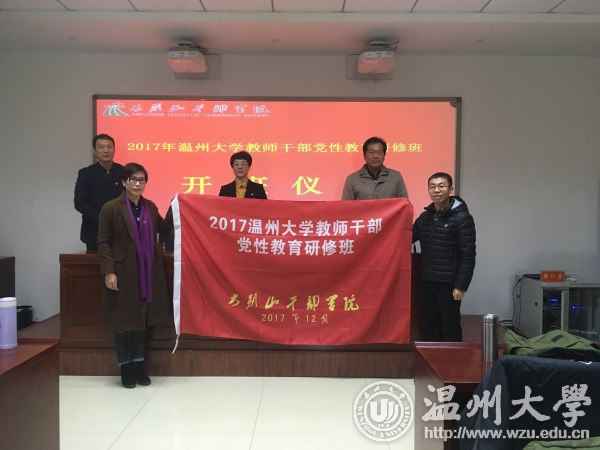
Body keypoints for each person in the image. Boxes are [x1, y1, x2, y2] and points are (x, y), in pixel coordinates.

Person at [97, 163, 172, 389]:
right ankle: (126, 369)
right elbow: (103, 242)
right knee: (122, 323)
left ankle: (139, 366)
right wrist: (109, 271)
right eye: (133, 179)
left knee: (141, 321)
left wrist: (176, 207)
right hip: (123, 274)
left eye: (142, 180)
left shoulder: (150, 207)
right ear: (124, 182)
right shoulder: (111, 208)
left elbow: (165, 229)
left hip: (147, 274)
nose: (138, 184)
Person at [412, 172, 476, 342]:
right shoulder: (425, 217)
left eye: (441, 186)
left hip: (449, 282)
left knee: (450, 327)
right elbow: (407, 237)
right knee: (429, 326)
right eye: (432, 186)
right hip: (426, 280)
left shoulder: (462, 218)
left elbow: (468, 255)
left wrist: (461, 285)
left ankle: (453, 359)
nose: (437, 190)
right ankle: (430, 359)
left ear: (450, 189)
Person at [74, 134, 124, 251]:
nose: (106, 150)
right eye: (101, 147)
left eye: (109, 147)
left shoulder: (124, 171)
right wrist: (102, 219)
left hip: (121, 231)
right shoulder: (86, 174)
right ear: (94, 151)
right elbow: (80, 203)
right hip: (94, 231)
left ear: (114, 149)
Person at [341, 136, 408, 200]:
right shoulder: (352, 179)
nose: (375, 156)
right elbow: (346, 206)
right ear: (364, 155)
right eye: (371, 152)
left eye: (379, 152)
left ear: (384, 155)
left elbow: (404, 204)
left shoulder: (396, 177)